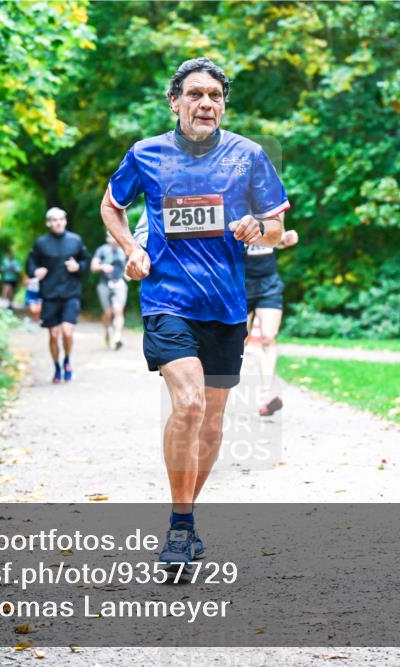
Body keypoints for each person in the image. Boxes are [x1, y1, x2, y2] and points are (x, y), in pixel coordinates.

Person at [99, 57, 289, 571]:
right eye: (196, 94)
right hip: (167, 301)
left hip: (225, 308)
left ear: (223, 105)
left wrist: (258, 228)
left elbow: (277, 228)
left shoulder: (248, 156)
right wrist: (131, 250)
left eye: (215, 96)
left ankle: (185, 516)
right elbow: (111, 205)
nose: (206, 103)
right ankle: (181, 527)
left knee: (210, 425)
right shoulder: (146, 154)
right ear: (175, 102)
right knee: (188, 404)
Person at [25, 207, 90, 384]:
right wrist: (35, 271)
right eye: (54, 220)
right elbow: (30, 264)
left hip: (71, 293)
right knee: (54, 335)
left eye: (61, 219)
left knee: (67, 332)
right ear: (48, 223)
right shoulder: (41, 243)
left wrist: (78, 267)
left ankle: (67, 361)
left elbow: (86, 261)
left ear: (65, 221)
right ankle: (56, 367)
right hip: (50, 295)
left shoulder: (75, 240)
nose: (58, 223)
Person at [245, 223, 299, 416]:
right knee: (237, 342)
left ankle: (267, 396)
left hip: (269, 284)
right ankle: (222, 393)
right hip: (240, 282)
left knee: (268, 338)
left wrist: (284, 239)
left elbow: (274, 240)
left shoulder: (268, 209)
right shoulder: (233, 208)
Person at [91, 232, 129, 350]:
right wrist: (102, 267)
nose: (113, 239)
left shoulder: (125, 249)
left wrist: (129, 275)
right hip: (104, 284)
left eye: (115, 236)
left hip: (120, 283)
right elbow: (93, 267)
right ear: (107, 238)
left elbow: (131, 264)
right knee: (108, 313)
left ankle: (117, 336)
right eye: (111, 236)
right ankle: (107, 329)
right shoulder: (102, 250)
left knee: (118, 310)